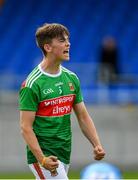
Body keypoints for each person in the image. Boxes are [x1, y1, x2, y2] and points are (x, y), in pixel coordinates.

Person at [19, 23, 105, 179]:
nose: (68, 43)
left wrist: (96, 144)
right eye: (61, 40)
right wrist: (42, 158)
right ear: (48, 47)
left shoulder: (71, 78)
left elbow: (83, 116)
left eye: (68, 39)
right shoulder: (32, 84)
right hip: (44, 156)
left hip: (64, 153)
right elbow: (25, 127)